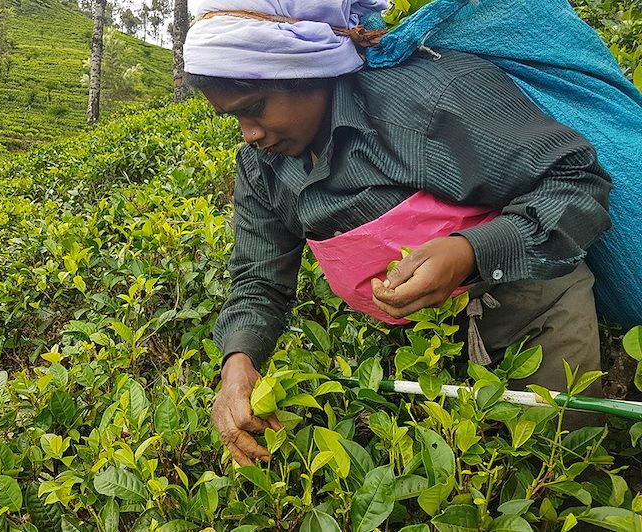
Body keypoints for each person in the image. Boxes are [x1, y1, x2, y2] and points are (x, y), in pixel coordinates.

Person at [183, 0, 612, 466]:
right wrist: (238, 362)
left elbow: (575, 180)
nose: (249, 134)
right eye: (235, 118)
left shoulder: (431, 100)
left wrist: (470, 251)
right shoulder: (263, 166)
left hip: (536, 320)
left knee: (553, 467)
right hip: (422, 352)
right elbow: (259, 279)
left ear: (304, 69)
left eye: (255, 109)